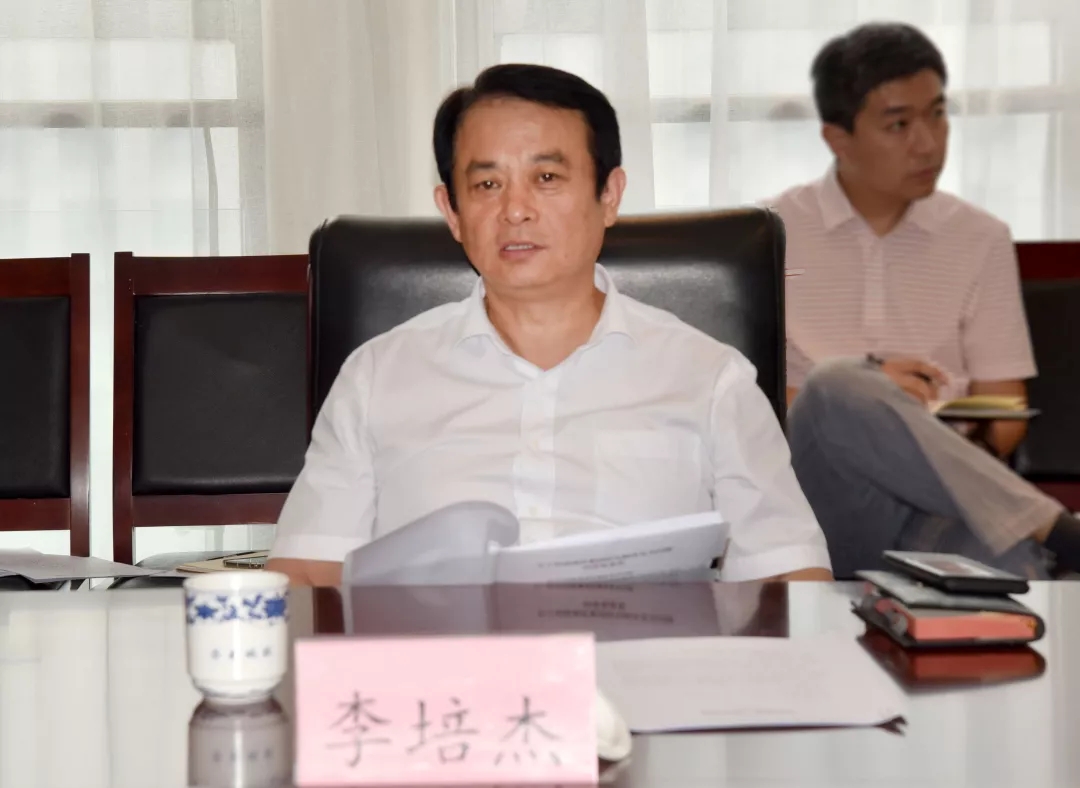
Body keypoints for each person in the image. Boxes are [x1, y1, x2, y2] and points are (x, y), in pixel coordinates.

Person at [267, 63, 833, 586]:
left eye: (546, 177)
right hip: (442, 659)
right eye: (487, 185)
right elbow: (307, 577)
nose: (516, 210)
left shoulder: (710, 379)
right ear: (452, 213)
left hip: (645, 658)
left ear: (609, 195)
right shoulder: (377, 377)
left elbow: (790, 580)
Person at [768, 23, 1080, 578]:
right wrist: (874, 395)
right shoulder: (769, 233)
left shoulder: (980, 237)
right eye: (899, 124)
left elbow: (1006, 412)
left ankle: (1049, 550)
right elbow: (737, 406)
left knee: (1013, 563)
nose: (929, 142)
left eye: (937, 115)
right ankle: (1057, 528)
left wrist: (927, 425)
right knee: (838, 384)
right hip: (820, 507)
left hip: (946, 506)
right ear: (838, 138)